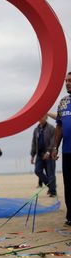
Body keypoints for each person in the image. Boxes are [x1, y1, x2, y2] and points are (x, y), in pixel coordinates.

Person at [54, 72, 71, 225]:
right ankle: (70, 215)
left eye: (70, 81)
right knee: (68, 183)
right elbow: (59, 126)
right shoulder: (63, 102)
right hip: (67, 151)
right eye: (66, 81)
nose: (67, 83)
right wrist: (55, 147)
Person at [30, 114, 56, 197]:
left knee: (50, 173)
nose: (40, 118)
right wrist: (32, 155)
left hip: (49, 154)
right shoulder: (36, 130)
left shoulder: (51, 128)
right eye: (39, 116)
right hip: (39, 154)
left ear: (46, 117)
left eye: (43, 116)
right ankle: (51, 186)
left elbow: (53, 141)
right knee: (37, 171)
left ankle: (53, 192)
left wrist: (48, 152)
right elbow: (34, 143)